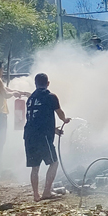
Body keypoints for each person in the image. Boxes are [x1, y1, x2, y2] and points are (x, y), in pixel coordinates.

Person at [23, 73, 70, 201]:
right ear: (47, 83)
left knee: (35, 167)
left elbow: (36, 119)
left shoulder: (31, 98)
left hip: (29, 136)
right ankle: (47, 192)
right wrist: (65, 120)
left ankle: (35, 195)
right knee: (54, 162)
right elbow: (59, 113)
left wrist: (54, 130)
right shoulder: (50, 96)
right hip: (42, 137)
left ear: (35, 84)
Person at [0, 60, 26, 174]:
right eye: (2, 68)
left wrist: (19, 92)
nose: (3, 71)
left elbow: (5, 89)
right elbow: (6, 94)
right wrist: (14, 94)